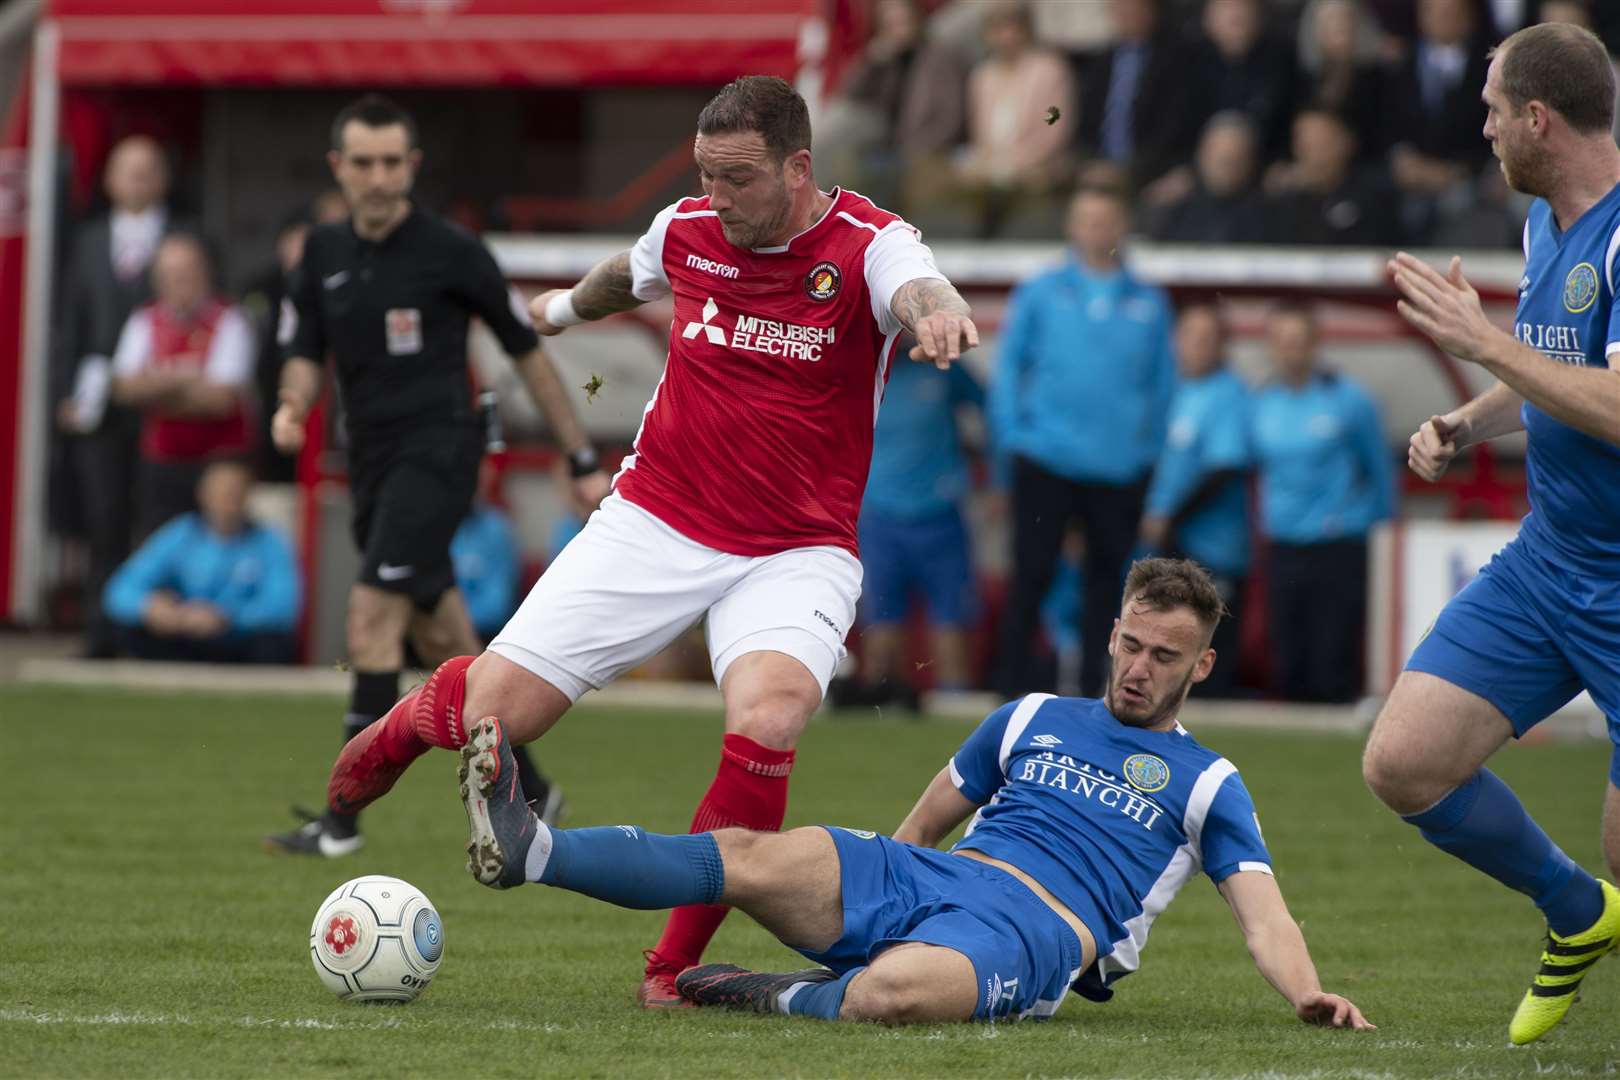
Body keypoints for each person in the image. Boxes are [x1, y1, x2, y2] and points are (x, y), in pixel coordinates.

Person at [286, 75, 979, 1007]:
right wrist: (564, 310)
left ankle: (672, 968)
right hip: (654, 519)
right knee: (495, 719)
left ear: (798, 167)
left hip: (795, 547)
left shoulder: (869, 246)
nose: (717, 199)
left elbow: (914, 282)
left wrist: (932, 308)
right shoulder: (689, 228)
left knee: (771, 718)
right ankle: (414, 724)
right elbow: (629, 273)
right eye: (706, 176)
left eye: (738, 179)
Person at [453, 558, 1374, 1030]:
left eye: (1164, 656)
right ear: (1112, 634)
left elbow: (1264, 916)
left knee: (894, 997)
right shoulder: (1030, 716)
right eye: (1131, 645)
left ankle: (777, 994)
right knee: (747, 855)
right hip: (934, 881)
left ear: (1202, 664)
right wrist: (870, 885)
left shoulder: (1210, 780)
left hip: (1037, 931)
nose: (1138, 669)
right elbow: (929, 820)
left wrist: (1308, 992)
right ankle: (532, 848)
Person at [263, 95, 603, 857]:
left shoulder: (452, 251)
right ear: (339, 169)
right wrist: (292, 404)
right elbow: (303, 351)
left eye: (393, 162)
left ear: (411, 167)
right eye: (364, 163)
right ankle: (538, 790)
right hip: (374, 462)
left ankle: (341, 821)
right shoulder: (319, 253)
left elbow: (527, 354)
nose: (379, 178)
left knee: (370, 617)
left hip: (442, 451)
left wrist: (579, 456)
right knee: (443, 634)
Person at [1367, 22, 1620, 1046]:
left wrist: (1479, 342)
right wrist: (1468, 416)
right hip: (1551, 561)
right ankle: (1576, 914)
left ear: (1538, 118)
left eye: (1490, 110)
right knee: (1404, 761)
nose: (1481, 130)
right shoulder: (1543, 227)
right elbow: (1549, 370)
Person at [990, 184, 1174, 701]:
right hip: (1046, 459)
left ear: (1122, 226)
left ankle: (1102, 694)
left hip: (1118, 469)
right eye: (1087, 219)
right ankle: (1009, 691)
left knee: (1110, 589)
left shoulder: (1149, 303)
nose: (1097, 230)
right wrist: (1014, 440)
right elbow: (1009, 372)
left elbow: (1162, 390)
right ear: (1072, 226)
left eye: (1107, 219)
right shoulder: (1040, 292)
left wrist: (1145, 455)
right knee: (1032, 573)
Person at [52, 135, 186, 657]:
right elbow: (69, 324)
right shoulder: (87, 241)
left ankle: (154, 634)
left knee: (158, 519)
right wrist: (65, 393)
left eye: (148, 170)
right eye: (126, 170)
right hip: (99, 405)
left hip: (164, 404)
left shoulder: (184, 235)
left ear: (163, 179)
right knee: (102, 517)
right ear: (108, 180)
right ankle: (100, 630)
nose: (137, 180)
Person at [1250, 303, 1392, 704]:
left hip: (1338, 543)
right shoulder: (1261, 403)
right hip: (1283, 545)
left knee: (1332, 660)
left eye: (1298, 342)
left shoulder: (1350, 401)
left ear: (1315, 345)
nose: (1289, 351)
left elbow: (1379, 471)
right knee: (1288, 659)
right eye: (1280, 342)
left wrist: (1382, 533)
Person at [832, 356, 985, 710]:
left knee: (950, 622)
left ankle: (955, 717)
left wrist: (993, 475)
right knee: (881, 624)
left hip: (940, 514)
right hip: (879, 517)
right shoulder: (858, 372)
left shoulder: (945, 368)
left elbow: (992, 408)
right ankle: (880, 709)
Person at [109, 232, 256, 537]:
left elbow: (221, 400)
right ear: (157, 279)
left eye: (188, 273)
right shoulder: (143, 320)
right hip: (163, 462)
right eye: (171, 274)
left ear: (206, 273)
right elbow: (123, 389)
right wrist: (187, 379)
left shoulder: (231, 320)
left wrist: (157, 385)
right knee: (159, 544)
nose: (180, 282)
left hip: (220, 461)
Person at [1141, 302, 1252, 696]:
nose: (1196, 347)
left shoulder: (1227, 394)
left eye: (1207, 339)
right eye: (1189, 337)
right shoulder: (1173, 391)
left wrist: (1170, 517)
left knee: (1207, 647)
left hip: (1212, 549)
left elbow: (1224, 468)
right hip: (1168, 545)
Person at [102, 457, 298, 663]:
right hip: (182, 632)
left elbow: (283, 605)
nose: (226, 500)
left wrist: (227, 617)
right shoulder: (180, 534)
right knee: (127, 627)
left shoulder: (268, 542)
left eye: (234, 492)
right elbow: (121, 588)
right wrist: (151, 607)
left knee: (273, 644)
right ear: (203, 494)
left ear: (248, 496)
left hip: (236, 640)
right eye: (220, 492)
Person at [957, 1, 1074, 237]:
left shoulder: (1049, 70)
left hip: (1038, 168)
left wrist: (1013, 165)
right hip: (990, 170)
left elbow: (1053, 129)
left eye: (1011, 28)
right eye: (997, 29)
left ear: (1026, 30)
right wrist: (990, 164)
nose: (1005, 36)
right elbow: (978, 132)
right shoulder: (982, 76)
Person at [1261, 108, 1403, 247]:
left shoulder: (1373, 194)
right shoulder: (1281, 197)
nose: (1311, 152)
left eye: (1321, 142)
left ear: (1347, 142)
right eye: (1305, 142)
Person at [1144, 111, 1268, 245]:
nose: (1227, 167)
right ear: (1201, 155)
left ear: (1251, 161)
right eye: (1221, 158)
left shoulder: (1268, 212)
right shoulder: (1173, 207)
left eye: (1236, 158)